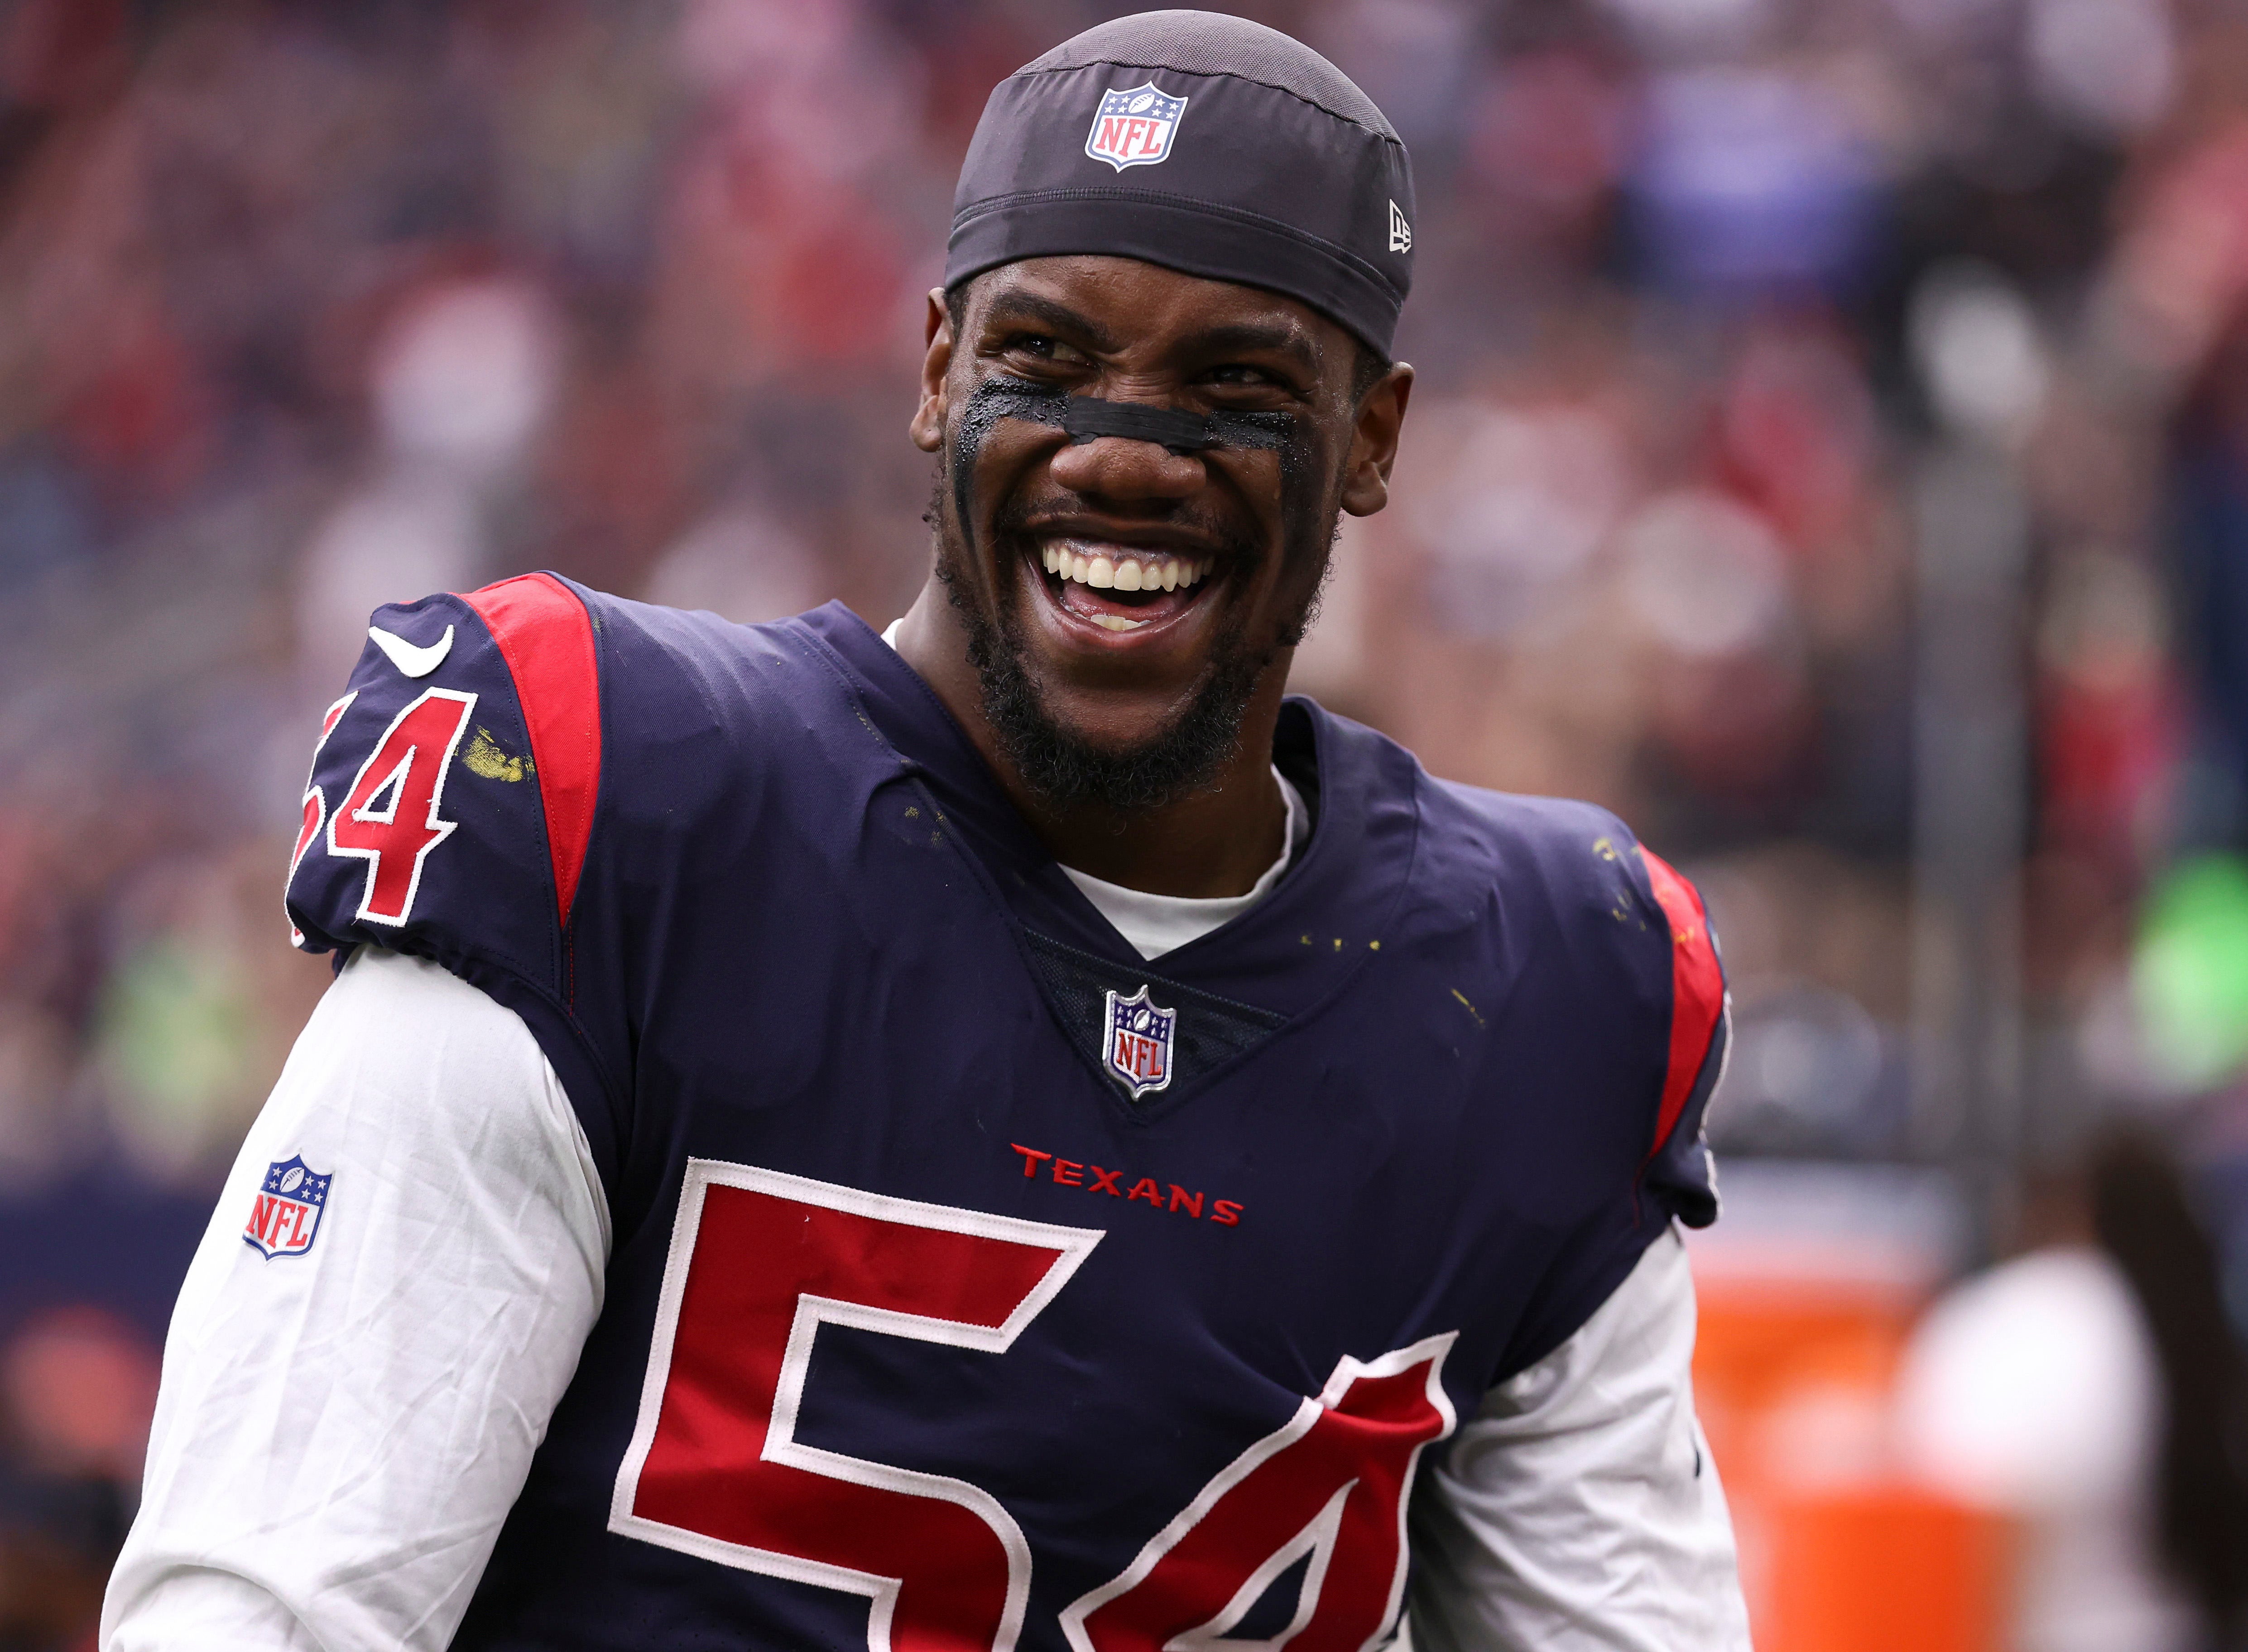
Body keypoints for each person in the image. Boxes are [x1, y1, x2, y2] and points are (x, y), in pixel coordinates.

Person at [102, 14, 1748, 1650]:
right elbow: (270, 1604)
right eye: (1043, 358)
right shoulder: (628, 802)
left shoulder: (1548, 993)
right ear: (938, 370)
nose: (1121, 451)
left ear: (1372, 439)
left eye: (1231, 385)